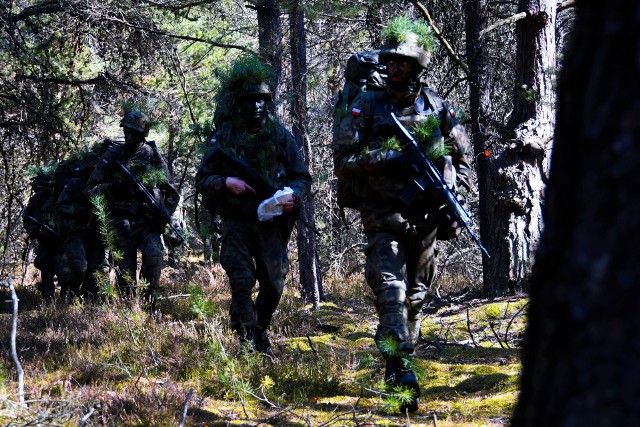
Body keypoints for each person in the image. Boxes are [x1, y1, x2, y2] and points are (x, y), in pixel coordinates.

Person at [332, 16, 472, 412]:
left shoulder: (439, 108)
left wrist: (451, 199)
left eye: (404, 62)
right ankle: (402, 371)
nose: (396, 68)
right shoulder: (364, 105)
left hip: (426, 219)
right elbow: (343, 162)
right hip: (383, 216)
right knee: (391, 294)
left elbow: (460, 160)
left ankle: (400, 360)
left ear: (418, 66)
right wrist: (386, 159)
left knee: (415, 297)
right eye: (391, 61)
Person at [196, 56, 312, 356]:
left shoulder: (279, 135)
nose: (257, 106)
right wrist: (225, 183)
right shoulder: (224, 138)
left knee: (274, 283)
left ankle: (259, 329)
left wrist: (293, 196)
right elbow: (203, 179)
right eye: (250, 101)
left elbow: (301, 176)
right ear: (240, 104)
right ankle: (246, 337)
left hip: (271, 222)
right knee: (241, 278)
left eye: (261, 100)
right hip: (236, 220)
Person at [85, 111, 180, 303]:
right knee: (125, 270)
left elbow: (172, 193)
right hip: (121, 221)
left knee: (154, 258)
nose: (129, 136)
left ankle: (148, 303)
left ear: (142, 134)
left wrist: (164, 214)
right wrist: (112, 187)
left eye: (134, 133)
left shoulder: (152, 154)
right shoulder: (112, 155)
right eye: (126, 132)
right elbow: (89, 190)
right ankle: (128, 311)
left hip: (149, 221)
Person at [54, 148, 108, 302]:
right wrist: (79, 211)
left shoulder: (103, 186)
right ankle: (71, 293)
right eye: (90, 170)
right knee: (79, 266)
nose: (93, 174)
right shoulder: (74, 185)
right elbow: (60, 207)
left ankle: (90, 305)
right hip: (76, 233)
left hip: (96, 234)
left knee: (95, 271)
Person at [22, 167, 62, 303]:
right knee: (46, 269)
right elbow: (27, 218)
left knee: (65, 271)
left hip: (62, 241)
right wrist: (36, 231)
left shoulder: (63, 193)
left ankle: (67, 301)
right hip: (45, 241)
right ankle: (48, 302)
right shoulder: (37, 199)